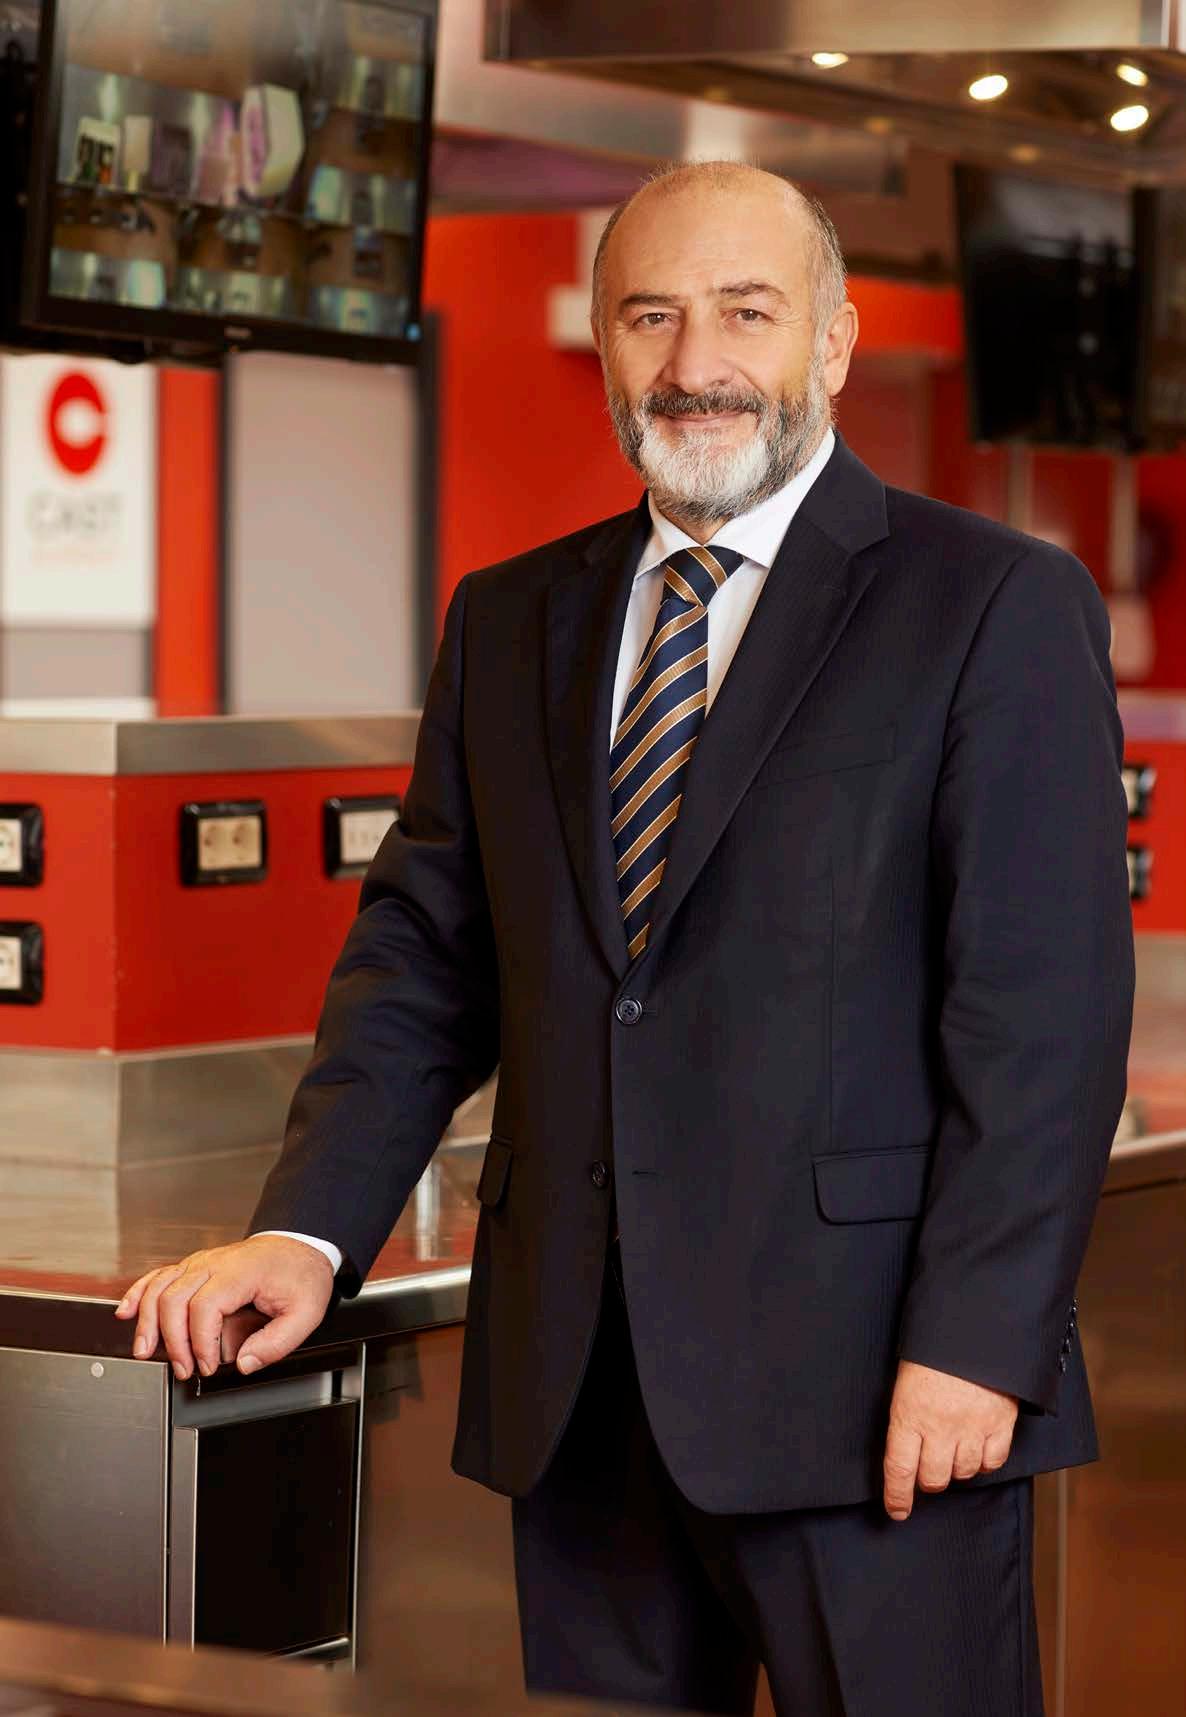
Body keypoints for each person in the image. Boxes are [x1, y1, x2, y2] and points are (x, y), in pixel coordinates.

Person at [116, 161, 1134, 1715]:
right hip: (580, 1401)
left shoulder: (988, 602)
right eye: (648, 315)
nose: (693, 361)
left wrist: (979, 1343)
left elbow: (1039, 1019)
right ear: (601, 343)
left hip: (880, 1397)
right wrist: (306, 1229)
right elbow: (424, 962)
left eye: (744, 311)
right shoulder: (509, 616)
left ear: (834, 341)